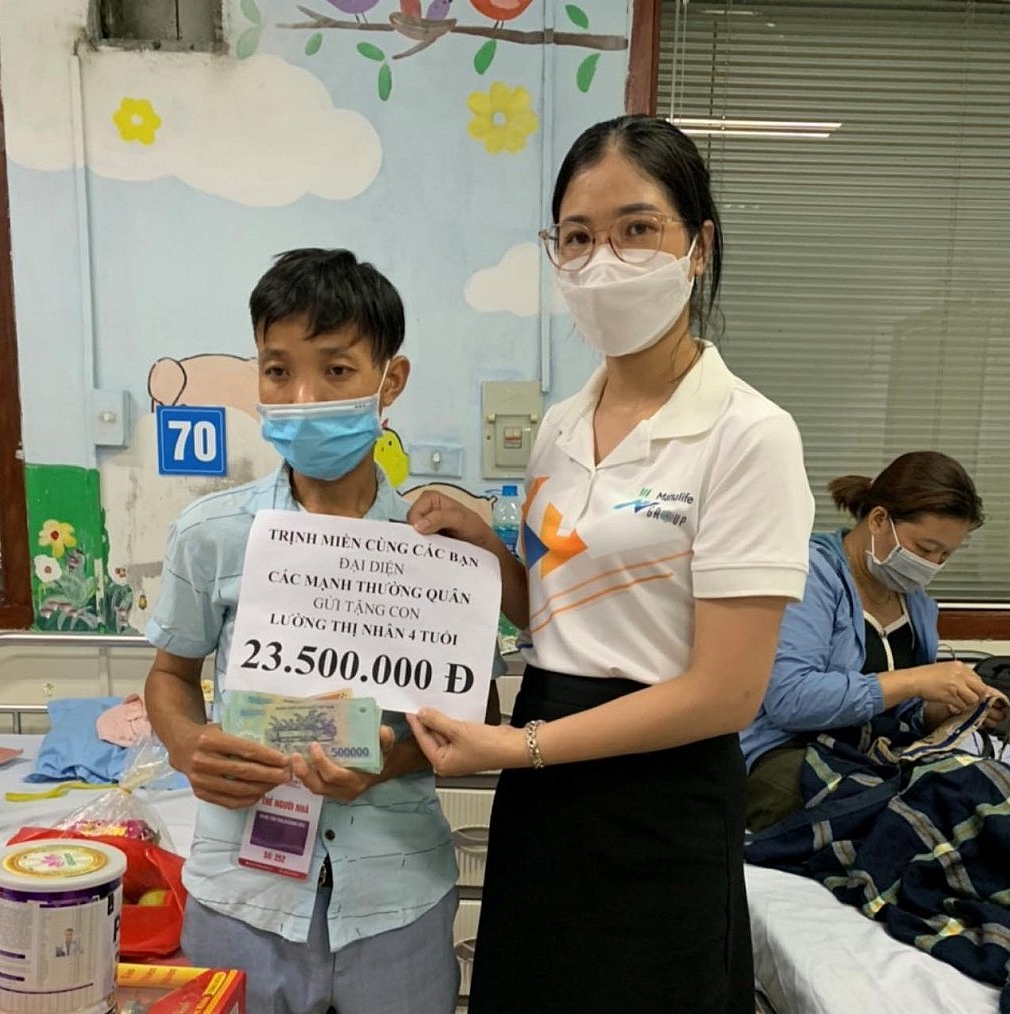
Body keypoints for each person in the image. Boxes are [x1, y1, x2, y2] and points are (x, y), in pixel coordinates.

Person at [406, 115, 815, 1014]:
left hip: (662, 793)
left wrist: (519, 747)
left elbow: (726, 692)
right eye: (578, 237)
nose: (603, 262)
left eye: (637, 230)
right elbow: (561, 620)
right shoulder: (559, 425)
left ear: (699, 246)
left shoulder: (748, 435)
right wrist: (486, 550)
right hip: (545, 782)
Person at [144, 249, 461, 1014]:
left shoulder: (437, 547)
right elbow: (169, 676)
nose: (304, 398)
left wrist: (387, 762)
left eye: (338, 370)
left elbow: (468, 707)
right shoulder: (212, 533)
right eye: (278, 371)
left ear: (391, 380)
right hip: (240, 895)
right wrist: (186, 744)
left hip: (395, 898)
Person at [741, 450, 1003, 832]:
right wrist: (915, 680)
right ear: (879, 520)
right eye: (925, 549)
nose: (932, 564)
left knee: (974, 797)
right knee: (912, 817)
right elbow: (790, 700)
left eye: (944, 555)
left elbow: (903, 711)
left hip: (867, 751)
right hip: (785, 756)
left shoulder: (915, 603)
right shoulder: (811, 575)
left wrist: (944, 708)